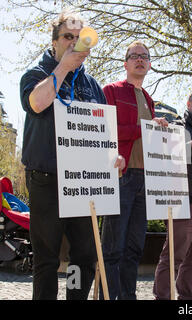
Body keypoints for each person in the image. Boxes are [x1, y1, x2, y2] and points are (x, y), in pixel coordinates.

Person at [19, 10, 125, 299]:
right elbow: (38, 103)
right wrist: (63, 67)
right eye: (68, 37)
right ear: (54, 41)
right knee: (48, 258)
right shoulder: (36, 74)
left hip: (83, 184)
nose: (74, 44)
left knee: (84, 256)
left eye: (80, 39)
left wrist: (113, 158)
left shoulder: (91, 86)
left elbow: (102, 134)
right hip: (46, 179)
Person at [100, 41, 168, 300]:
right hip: (120, 175)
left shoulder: (149, 99)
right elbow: (106, 131)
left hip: (144, 178)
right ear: (125, 63)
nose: (140, 59)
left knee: (134, 248)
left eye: (145, 56)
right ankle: (109, 295)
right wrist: (145, 127)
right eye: (134, 56)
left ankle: (128, 295)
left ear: (150, 64)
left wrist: (157, 129)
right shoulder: (111, 91)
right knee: (112, 248)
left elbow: (147, 138)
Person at [153, 86, 192, 300]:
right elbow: (166, 157)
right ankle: (162, 296)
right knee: (174, 255)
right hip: (183, 201)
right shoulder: (177, 127)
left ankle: (187, 296)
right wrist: (190, 146)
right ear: (189, 104)